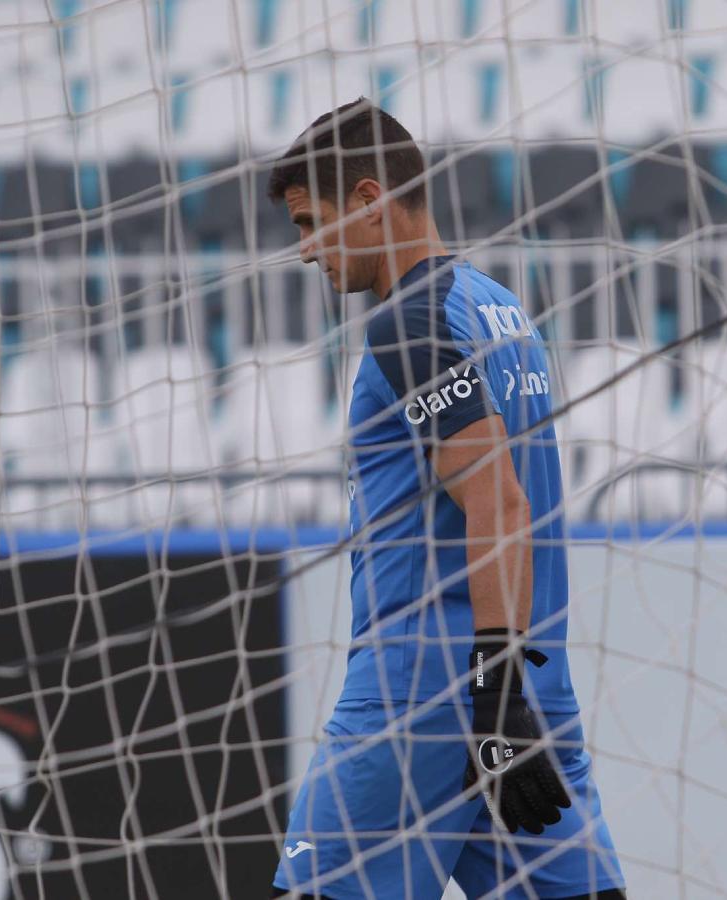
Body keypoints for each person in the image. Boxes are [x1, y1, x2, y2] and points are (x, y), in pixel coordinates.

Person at [268, 99, 625, 899]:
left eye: (308, 222)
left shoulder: (409, 324)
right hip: (528, 687)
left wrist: (489, 685)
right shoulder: (500, 307)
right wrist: (506, 691)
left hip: (422, 696)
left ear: (367, 203)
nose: (303, 252)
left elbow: (496, 501)